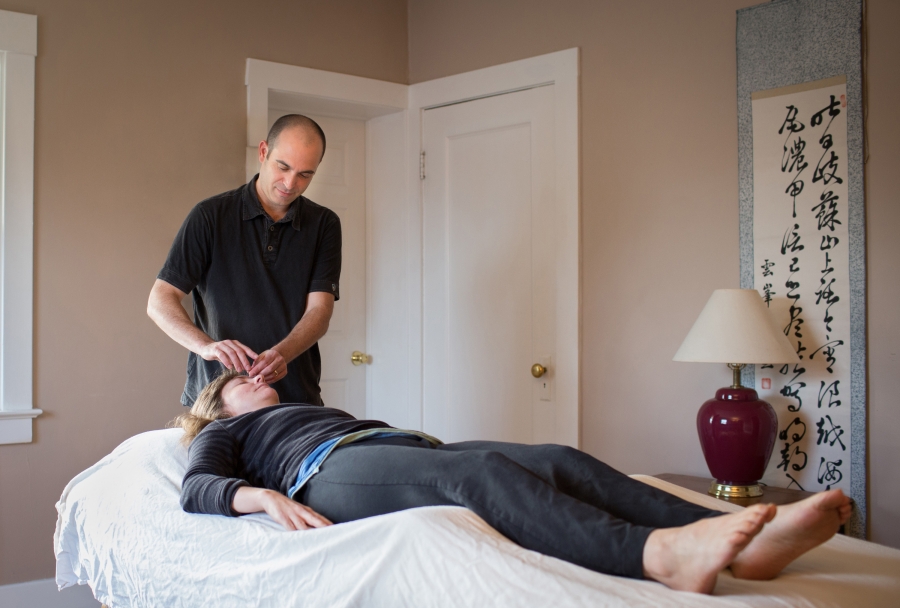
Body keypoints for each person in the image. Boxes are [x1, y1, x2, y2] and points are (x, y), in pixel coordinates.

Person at [177, 370, 852, 594]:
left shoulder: (302, 404)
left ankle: (741, 550)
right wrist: (262, 496)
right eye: (241, 382)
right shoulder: (222, 432)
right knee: (478, 473)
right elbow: (196, 488)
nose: (258, 378)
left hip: (394, 450)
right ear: (219, 403)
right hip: (328, 474)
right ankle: (659, 557)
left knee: (558, 458)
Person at [148, 114, 340, 407]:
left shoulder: (324, 224)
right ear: (264, 152)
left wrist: (283, 353)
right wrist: (207, 347)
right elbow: (160, 300)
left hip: (296, 398)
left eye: (305, 174)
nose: (290, 183)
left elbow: (320, 311)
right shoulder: (210, 216)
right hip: (218, 399)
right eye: (283, 166)